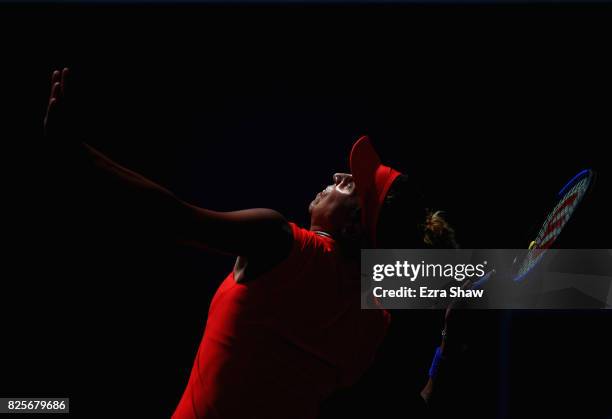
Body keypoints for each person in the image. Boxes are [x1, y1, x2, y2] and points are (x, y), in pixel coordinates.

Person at [43, 68, 458, 419]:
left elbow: (171, 215)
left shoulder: (281, 245)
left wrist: (77, 155)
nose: (338, 176)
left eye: (352, 186)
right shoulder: (372, 324)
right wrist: (450, 341)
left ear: (353, 227)